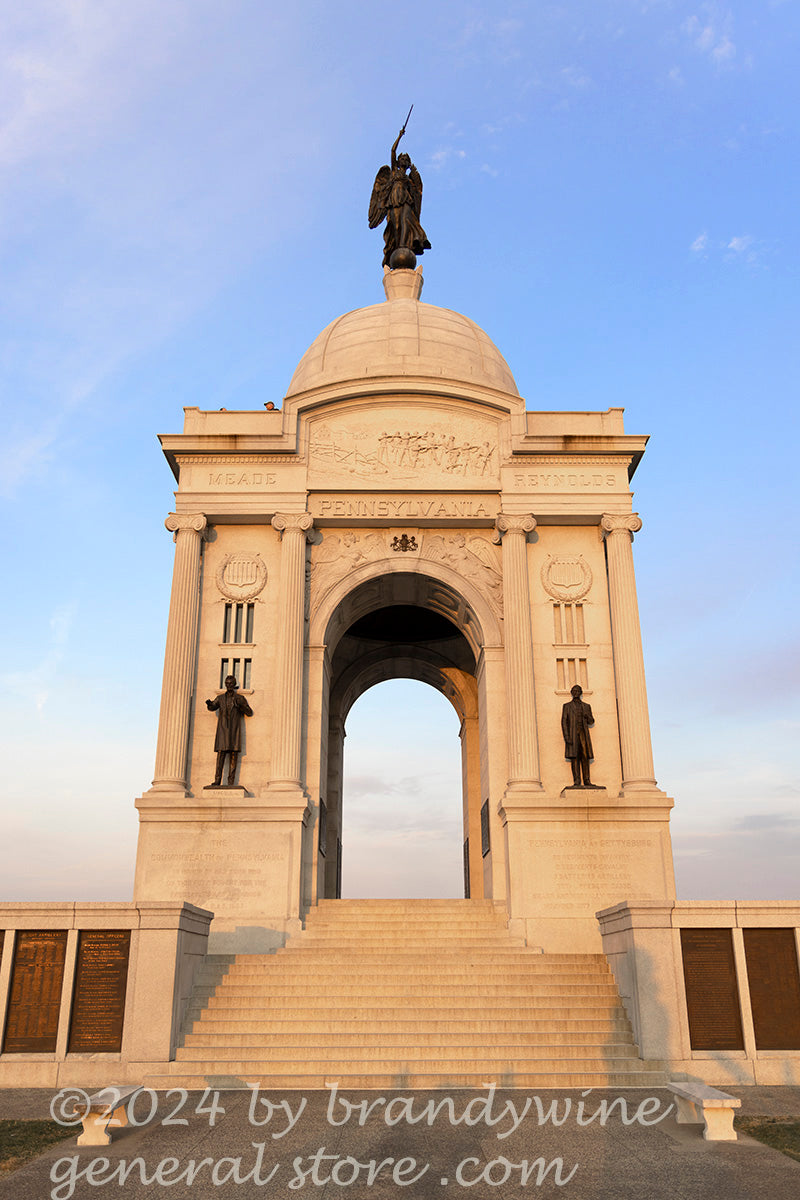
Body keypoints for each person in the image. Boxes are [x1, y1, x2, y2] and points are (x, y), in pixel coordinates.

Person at [368, 127, 431, 267]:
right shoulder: (394, 173)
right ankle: (397, 247)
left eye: (406, 159)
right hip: (393, 199)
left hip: (405, 200)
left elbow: (417, 193)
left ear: (408, 164)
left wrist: (416, 180)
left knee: (405, 222)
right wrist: (399, 136)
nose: (403, 160)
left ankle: (403, 245)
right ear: (398, 161)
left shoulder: (409, 180)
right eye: (401, 158)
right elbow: (392, 151)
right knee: (394, 225)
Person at [206, 675, 253, 787]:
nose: (229, 686)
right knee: (220, 755)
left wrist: (241, 706)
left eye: (231, 684)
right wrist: (209, 704)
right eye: (227, 684)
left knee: (233, 756)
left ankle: (231, 781)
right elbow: (213, 706)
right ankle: (217, 780)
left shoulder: (239, 698)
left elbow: (249, 712)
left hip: (234, 731)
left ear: (234, 684)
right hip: (223, 730)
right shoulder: (220, 698)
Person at [561, 683, 596, 788]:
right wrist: (567, 737)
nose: (575, 692)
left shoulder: (586, 706)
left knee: (585, 757)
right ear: (571, 693)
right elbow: (564, 722)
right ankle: (577, 781)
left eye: (577, 691)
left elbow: (591, 721)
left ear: (581, 693)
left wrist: (587, 716)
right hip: (572, 735)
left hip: (583, 735)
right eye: (574, 691)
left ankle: (587, 780)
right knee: (574, 758)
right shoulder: (567, 706)